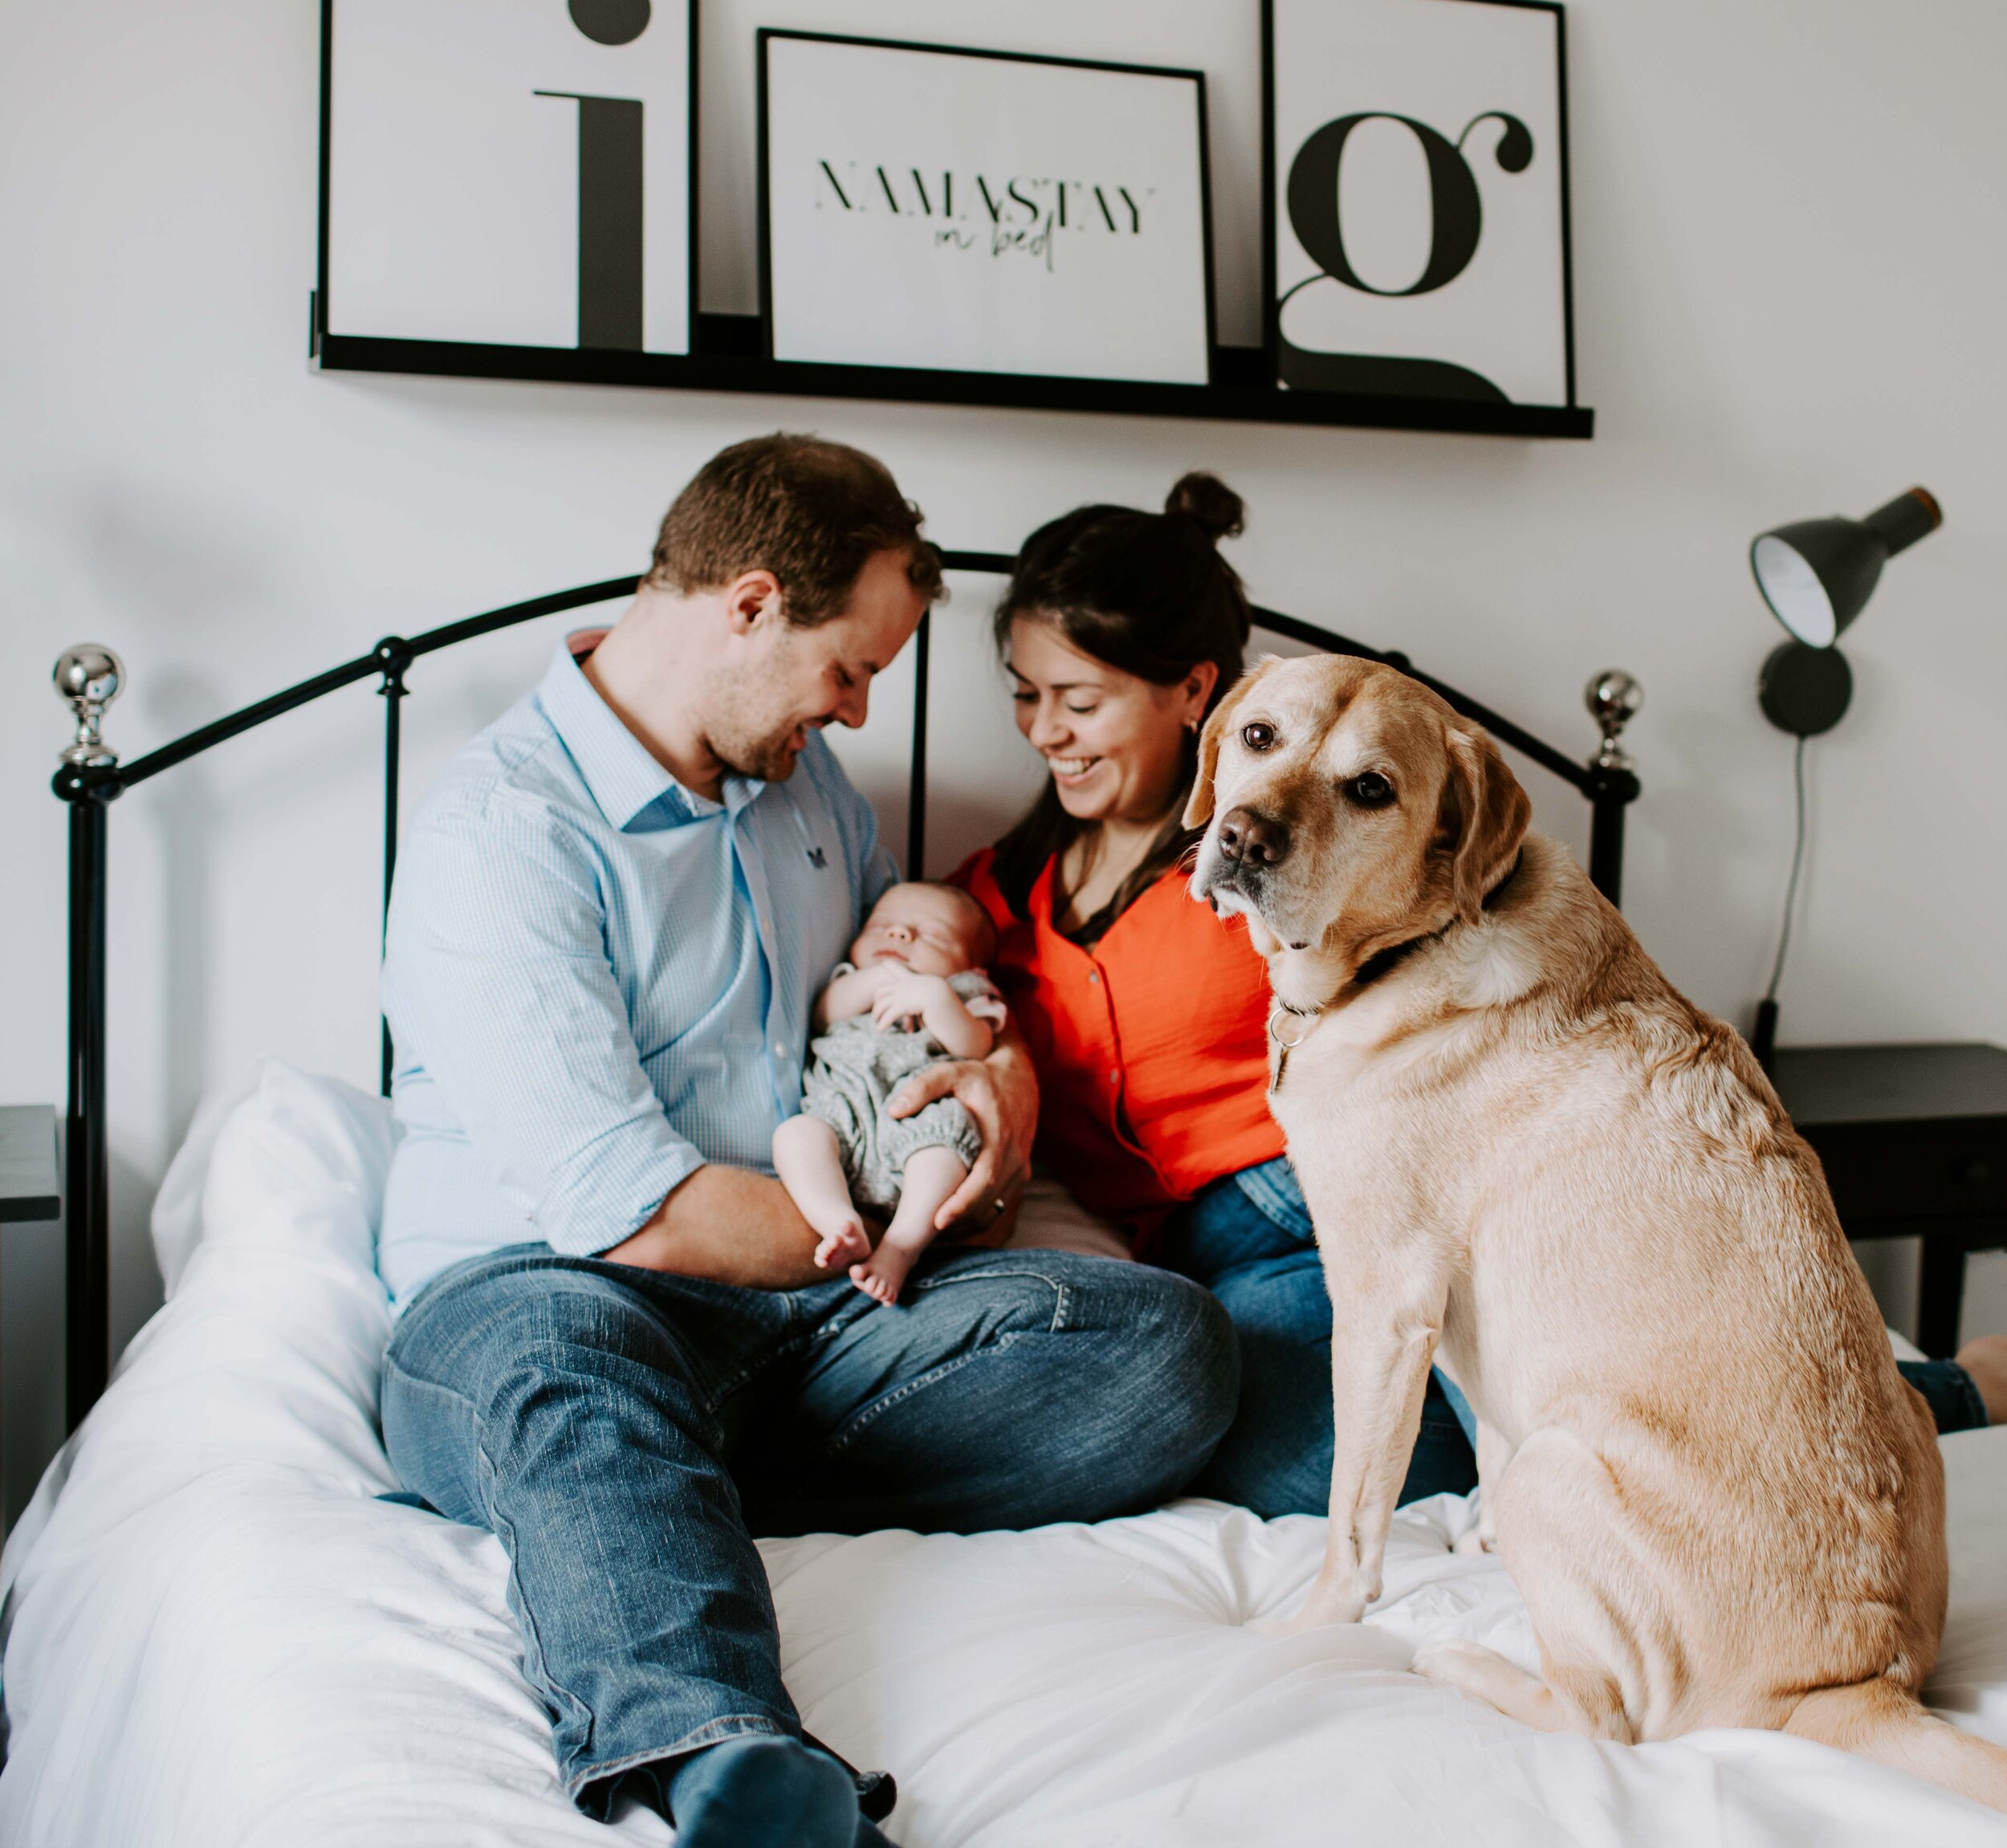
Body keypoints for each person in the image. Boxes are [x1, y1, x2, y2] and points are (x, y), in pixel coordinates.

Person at [373, 436, 1237, 1848]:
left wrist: (1000, 1088)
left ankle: (644, 1487)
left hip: (801, 1322)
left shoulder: (807, 793)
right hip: (556, 1287)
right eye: (850, 669)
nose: (856, 710)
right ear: (753, 604)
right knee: (571, 1368)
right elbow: (635, 1213)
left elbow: (916, 991)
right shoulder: (506, 830)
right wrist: (897, 1225)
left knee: (1159, 1343)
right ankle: (727, 1754)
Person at [953, 470, 2007, 1519]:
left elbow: (1488, 987)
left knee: (1397, 1428)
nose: (1045, 730)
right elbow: (927, 1012)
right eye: (1025, 694)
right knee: (1243, 1434)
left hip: (1328, 1199)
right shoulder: (996, 893)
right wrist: (990, 1055)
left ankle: (1934, 1398)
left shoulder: (1315, 863)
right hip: (1186, 1256)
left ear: (1199, 696)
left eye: (1080, 701)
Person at [772, 879, 1008, 1305]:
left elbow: (977, 1046)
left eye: (932, 935)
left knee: (945, 1150)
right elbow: (824, 1014)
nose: (900, 934)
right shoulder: (853, 979)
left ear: (973, 970)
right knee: (795, 1136)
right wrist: (877, 978)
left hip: (918, 1119)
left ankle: (901, 1246)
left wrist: (937, 999)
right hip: (840, 1114)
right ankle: (838, 1220)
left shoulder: (964, 993)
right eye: (882, 926)